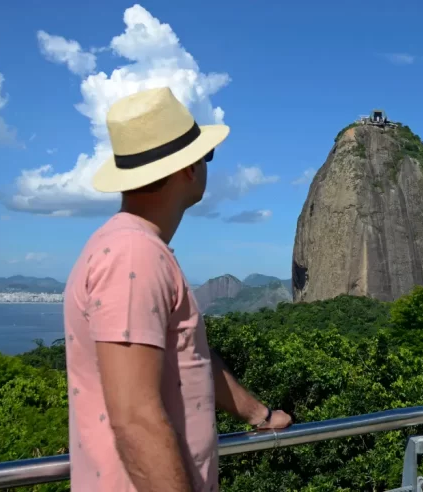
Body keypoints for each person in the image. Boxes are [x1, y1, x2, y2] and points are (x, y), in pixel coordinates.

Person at [62, 87, 292, 492]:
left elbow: (189, 359)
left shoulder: (136, 249)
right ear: (188, 168)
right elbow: (136, 418)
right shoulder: (133, 255)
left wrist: (259, 413)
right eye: (207, 155)